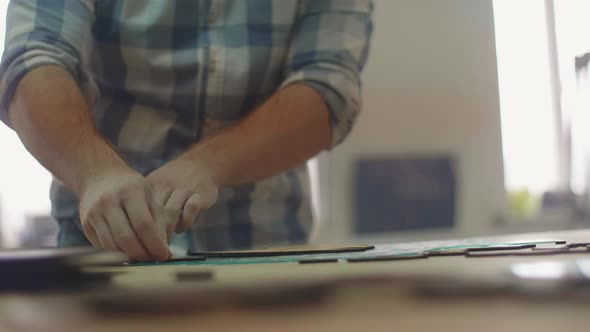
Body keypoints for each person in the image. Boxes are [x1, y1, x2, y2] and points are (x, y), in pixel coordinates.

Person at [0, 0, 373, 261]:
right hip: (101, 258)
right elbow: (30, 60)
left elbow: (329, 88)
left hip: (266, 256)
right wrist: (96, 172)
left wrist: (207, 165)